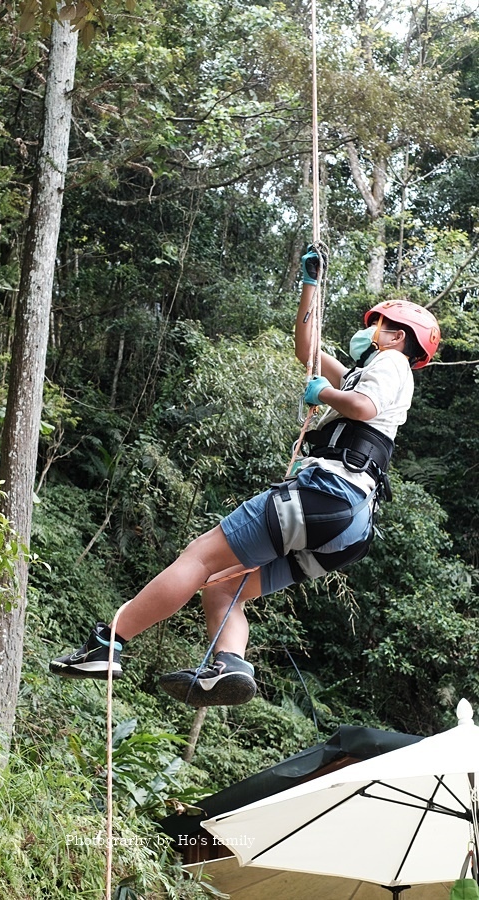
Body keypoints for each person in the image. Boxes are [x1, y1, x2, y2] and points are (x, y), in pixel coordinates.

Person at [50, 248, 441, 707]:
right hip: (348, 528)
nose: (368, 332)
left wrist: (325, 393)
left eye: (377, 325)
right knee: (223, 589)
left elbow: (363, 408)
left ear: (396, 336)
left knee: (199, 560)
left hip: (330, 493)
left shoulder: (389, 366)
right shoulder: (367, 371)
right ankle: (230, 665)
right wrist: (310, 285)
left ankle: (108, 643)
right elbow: (308, 349)